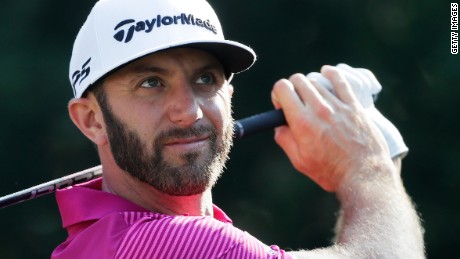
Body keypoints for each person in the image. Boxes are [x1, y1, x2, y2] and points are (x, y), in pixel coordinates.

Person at [52, 0, 425, 258]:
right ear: (91, 119)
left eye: (205, 78)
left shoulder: (101, 238)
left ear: (229, 95)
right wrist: (368, 166)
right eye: (151, 83)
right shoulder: (150, 244)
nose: (189, 111)